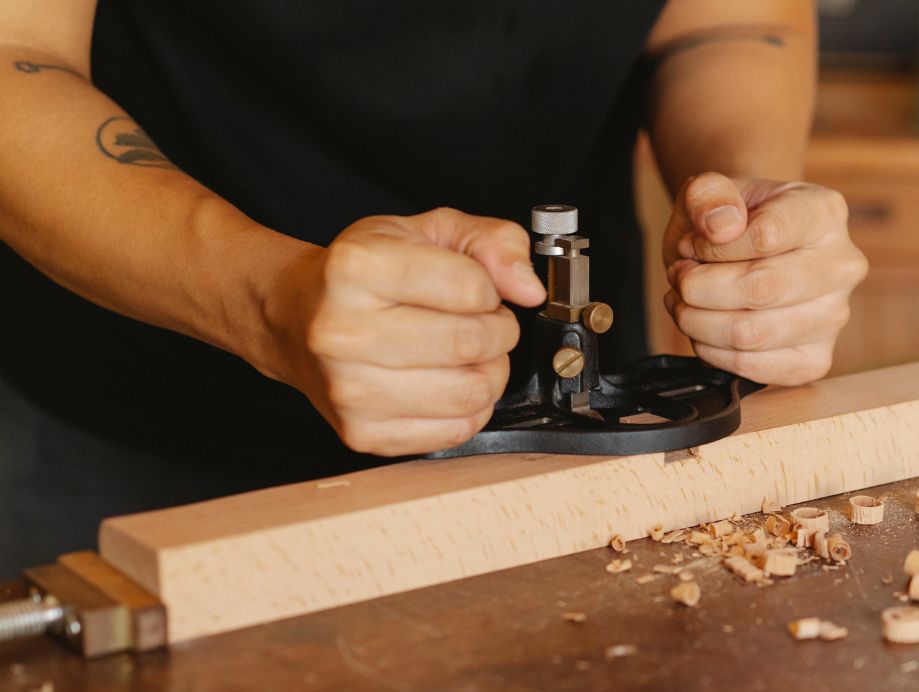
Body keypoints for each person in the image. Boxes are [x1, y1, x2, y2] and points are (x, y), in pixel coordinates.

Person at [0, 0, 866, 569]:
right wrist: (267, 297)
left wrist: (745, 222)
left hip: (568, 425)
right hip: (140, 416)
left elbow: (725, 19)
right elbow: (16, 53)